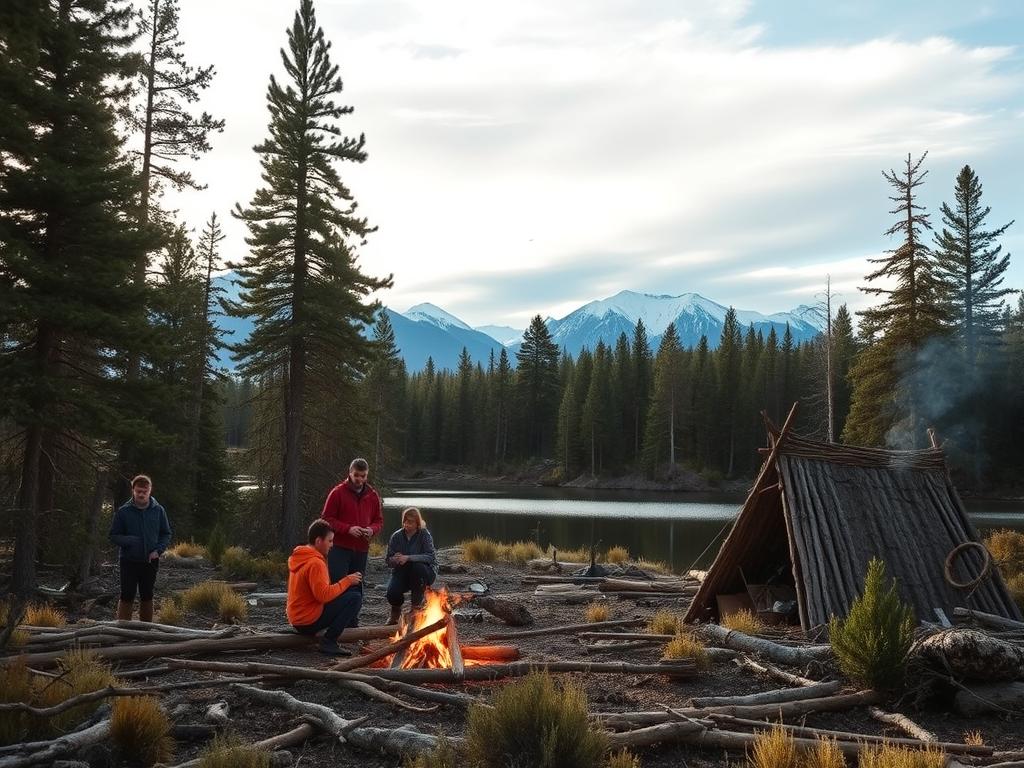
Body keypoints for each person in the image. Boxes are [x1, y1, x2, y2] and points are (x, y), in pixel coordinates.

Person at [287, 519, 364, 656]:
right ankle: (329, 641)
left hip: (297, 618)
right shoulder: (316, 562)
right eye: (330, 541)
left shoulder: (300, 556)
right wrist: (347, 580)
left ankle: (339, 632)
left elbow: (319, 593)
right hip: (308, 621)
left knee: (352, 591)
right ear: (318, 541)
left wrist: (347, 583)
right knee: (355, 598)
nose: (332, 545)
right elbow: (323, 595)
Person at [108, 474, 172, 622]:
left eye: (145, 491)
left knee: (147, 594)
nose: (141, 494)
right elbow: (113, 535)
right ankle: (122, 629)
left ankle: (146, 630)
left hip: (150, 560)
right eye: (138, 491)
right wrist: (130, 540)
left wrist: (158, 550)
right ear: (133, 491)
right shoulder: (124, 511)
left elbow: (166, 533)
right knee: (127, 594)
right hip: (128, 560)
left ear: (150, 490)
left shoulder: (158, 510)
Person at [320, 458, 383, 590]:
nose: (359, 479)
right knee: (337, 586)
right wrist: (348, 529)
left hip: (361, 549)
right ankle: (335, 611)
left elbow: (378, 521)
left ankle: (353, 610)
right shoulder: (337, 493)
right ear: (350, 473)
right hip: (339, 548)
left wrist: (371, 530)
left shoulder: (372, 495)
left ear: (367, 475)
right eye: (356, 475)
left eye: (363, 476)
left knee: (356, 588)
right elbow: (326, 519)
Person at [385, 507, 437, 625]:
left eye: (410, 522)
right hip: (402, 571)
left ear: (417, 523)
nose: (406, 524)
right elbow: (388, 560)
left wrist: (408, 557)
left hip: (424, 572)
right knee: (392, 593)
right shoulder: (396, 536)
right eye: (405, 521)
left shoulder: (424, 534)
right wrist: (395, 559)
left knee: (417, 568)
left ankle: (415, 610)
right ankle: (395, 612)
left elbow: (430, 557)